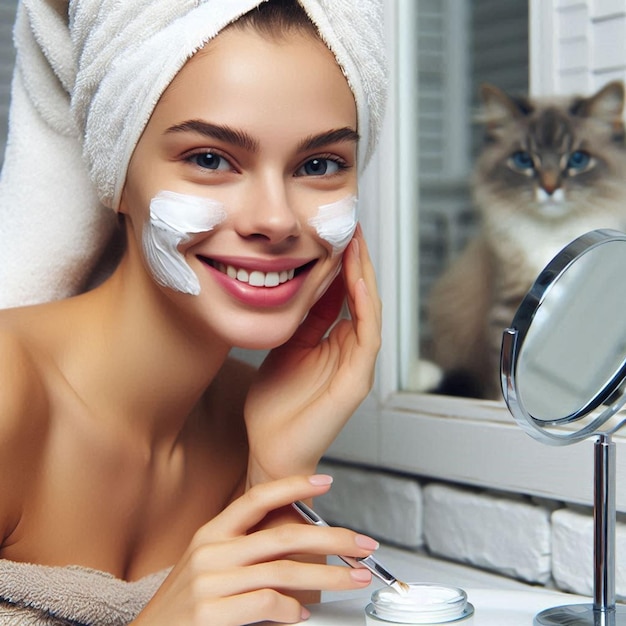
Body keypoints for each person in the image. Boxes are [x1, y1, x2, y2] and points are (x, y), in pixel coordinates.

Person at [0, 0, 387, 624]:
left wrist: (275, 471)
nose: (275, 220)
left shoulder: (254, 417)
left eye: (319, 165)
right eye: (210, 159)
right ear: (117, 176)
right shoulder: (7, 390)